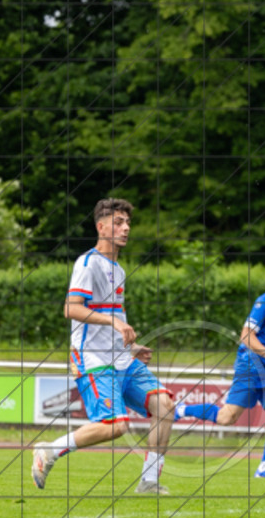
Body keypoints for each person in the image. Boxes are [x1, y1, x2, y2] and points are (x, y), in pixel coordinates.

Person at [32, 198, 176, 494]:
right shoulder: (87, 263)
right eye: (119, 222)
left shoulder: (118, 270)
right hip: (92, 359)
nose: (126, 229)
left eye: (127, 223)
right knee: (115, 426)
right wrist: (113, 322)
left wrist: (130, 345)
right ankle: (51, 449)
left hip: (121, 357)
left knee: (165, 405)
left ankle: (149, 481)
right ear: (101, 227)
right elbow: (71, 309)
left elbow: (114, 315)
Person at [174, 258, 265, 479]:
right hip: (250, 366)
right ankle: (181, 410)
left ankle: (264, 467)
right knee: (226, 418)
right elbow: (245, 336)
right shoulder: (264, 303)